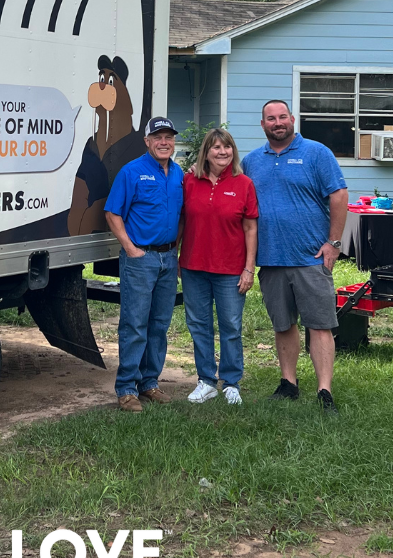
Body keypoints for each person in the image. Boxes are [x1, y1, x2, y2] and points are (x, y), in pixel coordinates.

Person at [241, 100, 348, 413]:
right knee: (283, 325)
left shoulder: (316, 153)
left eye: (283, 117)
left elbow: (339, 195)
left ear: (293, 119)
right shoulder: (251, 161)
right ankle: (288, 383)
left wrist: (334, 242)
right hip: (271, 259)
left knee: (319, 325)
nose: (278, 123)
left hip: (310, 257)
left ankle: (324, 390)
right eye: (271, 118)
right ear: (262, 125)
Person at [104, 116, 184, 412]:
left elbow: (183, 216)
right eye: (158, 137)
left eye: (169, 137)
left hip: (168, 258)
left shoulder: (178, 174)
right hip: (141, 259)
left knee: (159, 324)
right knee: (135, 324)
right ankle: (126, 388)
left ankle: (149, 383)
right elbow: (113, 213)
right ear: (147, 141)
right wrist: (129, 247)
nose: (164, 142)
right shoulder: (132, 172)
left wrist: (177, 250)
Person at [179, 128, 258, 405]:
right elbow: (180, 221)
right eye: (216, 147)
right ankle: (206, 381)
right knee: (199, 325)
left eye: (227, 147)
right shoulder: (189, 181)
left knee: (231, 327)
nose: (222, 152)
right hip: (194, 267)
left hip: (230, 269)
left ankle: (231, 382)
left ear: (233, 151)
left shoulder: (244, 183)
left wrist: (249, 268)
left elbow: (250, 228)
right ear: (206, 153)